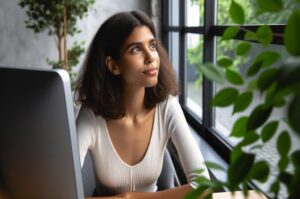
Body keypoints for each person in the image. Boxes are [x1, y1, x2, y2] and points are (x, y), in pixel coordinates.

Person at [74, 10, 210, 199]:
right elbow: (63, 189)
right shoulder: (92, 113)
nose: (151, 57)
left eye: (152, 45)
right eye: (136, 49)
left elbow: (203, 185)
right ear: (113, 65)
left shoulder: (167, 107)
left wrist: (129, 197)